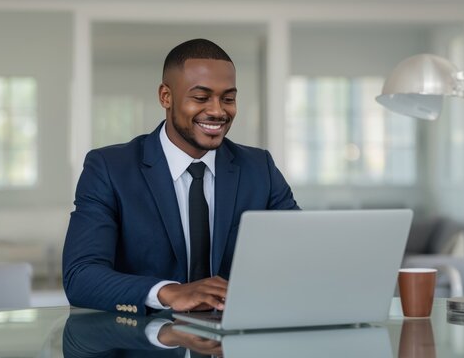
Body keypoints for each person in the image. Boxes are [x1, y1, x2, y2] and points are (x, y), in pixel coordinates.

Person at [63, 38, 299, 315]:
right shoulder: (109, 168)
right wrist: (169, 292)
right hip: (142, 345)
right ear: (166, 96)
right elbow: (80, 276)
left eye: (228, 98)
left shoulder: (260, 168)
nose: (217, 111)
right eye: (201, 97)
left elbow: (301, 252)